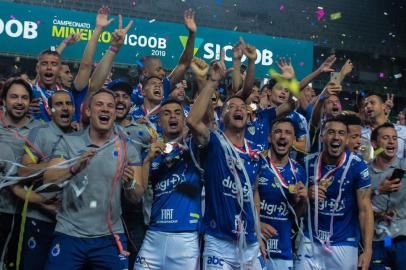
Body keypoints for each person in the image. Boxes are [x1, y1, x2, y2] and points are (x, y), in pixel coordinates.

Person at [43, 88, 144, 270]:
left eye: (110, 106)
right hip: (69, 232)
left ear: (114, 113)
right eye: (99, 104)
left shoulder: (128, 148)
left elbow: (136, 196)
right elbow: (49, 179)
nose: (105, 109)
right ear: (88, 111)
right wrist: (73, 168)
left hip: (110, 237)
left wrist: (130, 184)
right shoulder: (69, 142)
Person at [187, 57, 264, 269]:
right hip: (218, 242)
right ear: (223, 116)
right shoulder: (214, 142)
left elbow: (254, 192)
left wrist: (258, 232)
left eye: (243, 107)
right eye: (232, 106)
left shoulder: (256, 153)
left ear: (248, 117)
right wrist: (212, 82)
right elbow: (192, 121)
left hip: (250, 243)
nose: (239, 109)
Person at [295, 116, 373, 270]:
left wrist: (368, 249)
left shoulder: (358, 166)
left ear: (347, 139)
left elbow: (365, 210)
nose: (336, 137)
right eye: (331, 132)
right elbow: (296, 209)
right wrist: (305, 197)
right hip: (309, 240)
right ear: (322, 137)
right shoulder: (306, 163)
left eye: (341, 133)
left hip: (344, 242)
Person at [10, 90, 75, 270]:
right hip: (37, 217)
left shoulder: (80, 135)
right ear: (50, 109)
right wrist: (55, 166)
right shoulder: (40, 133)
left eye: (68, 104)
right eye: (59, 104)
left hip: (68, 223)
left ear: (74, 108)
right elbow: (23, 171)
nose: (64, 108)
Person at [134, 99, 203, 270]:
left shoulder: (195, 147)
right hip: (154, 235)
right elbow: (138, 194)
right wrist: (147, 160)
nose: (172, 116)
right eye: (167, 113)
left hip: (186, 238)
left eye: (177, 112)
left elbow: (204, 122)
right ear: (159, 121)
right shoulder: (150, 153)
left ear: (184, 118)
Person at [255, 118, 307, 269]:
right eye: (278, 132)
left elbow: (297, 215)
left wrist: (302, 201)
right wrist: (257, 225)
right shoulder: (257, 164)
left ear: (293, 140)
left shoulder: (299, 171)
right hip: (254, 246)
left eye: (288, 133)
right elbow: (241, 203)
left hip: (283, 250)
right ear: (269, 138)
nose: (283, 136)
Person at [0, 78, 41, 269]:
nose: (19, 102)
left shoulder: (40, 129)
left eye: (24, 98)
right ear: (4, 100)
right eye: (14, 97)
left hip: (26, 213)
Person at [368, 123, 406, 270]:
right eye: (386, 138)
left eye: (395, 138)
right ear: (375, 143)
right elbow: (356, 201)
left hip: (401, 238)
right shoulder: (364, 172)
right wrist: (378, 189)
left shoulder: (404, 166)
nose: (391, 142)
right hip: (376, 241)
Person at [362, 94, 406, 159]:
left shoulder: (403, 130)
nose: (368, 106)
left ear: (383, 106)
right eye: (365, 105)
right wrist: (383, 148)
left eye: (372, 103)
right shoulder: (362, 134)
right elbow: (367, 158)